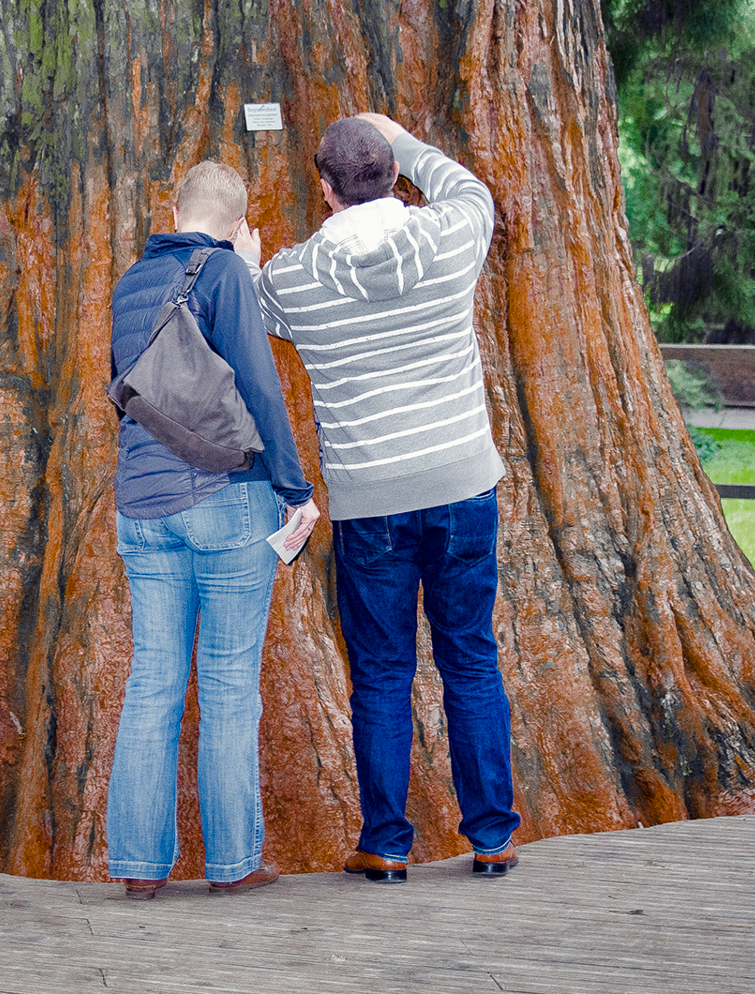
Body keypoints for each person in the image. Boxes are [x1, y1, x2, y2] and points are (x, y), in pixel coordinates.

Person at [244, 113, 522, 882]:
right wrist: (403, 138)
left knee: (382, 673)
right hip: (463, 485)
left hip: (371, 504)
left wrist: (242, 259)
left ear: (324, 189)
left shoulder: (295, 278)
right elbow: (468, 189)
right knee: (469, 657)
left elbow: (254, 306)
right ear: (394, 172)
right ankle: (492, 835)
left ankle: (388, 842)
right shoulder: (451, 237)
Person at [106, 160, 322, 900]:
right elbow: (256, 385)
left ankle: (138, 864)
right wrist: (294, 489)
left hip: (141, 505)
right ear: (237, 224)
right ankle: (233, 865)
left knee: (152, 684)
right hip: (226, 498)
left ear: (173, 207)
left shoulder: (132, 281)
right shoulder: (226, 272)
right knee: (229, 685)